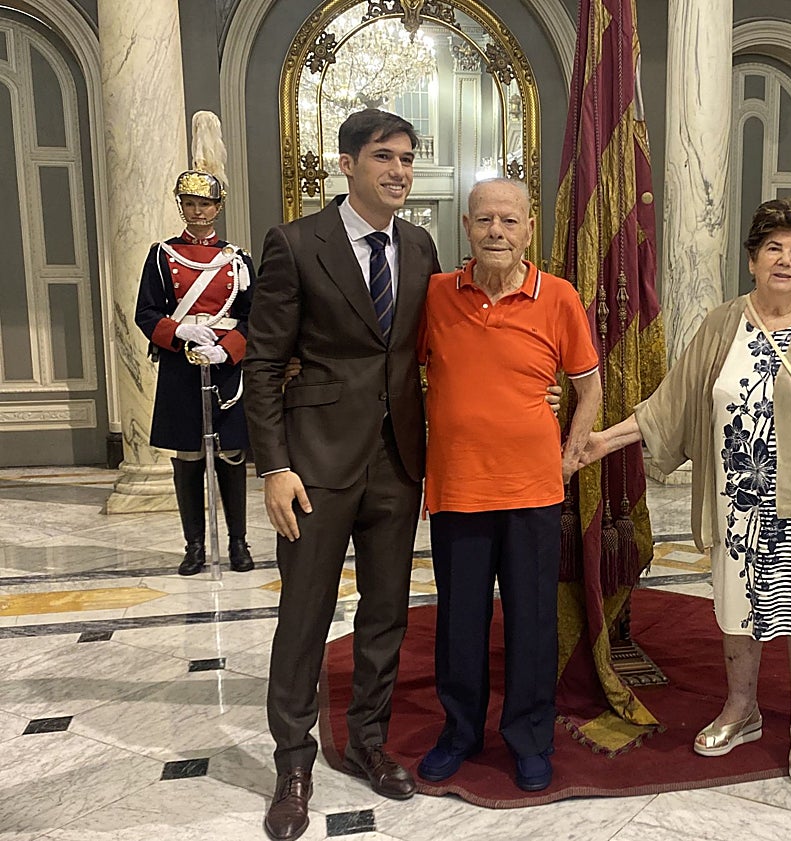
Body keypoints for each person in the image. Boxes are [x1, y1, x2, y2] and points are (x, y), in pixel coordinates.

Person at [582, 198, 791, 785]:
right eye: (774, 248)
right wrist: (599, 442)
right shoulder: (723, 324)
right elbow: (670, 405)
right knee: (738, 613)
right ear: (751, 259)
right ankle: (741, 709)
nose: (786, 261)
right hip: (736, 504)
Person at [244, 109, 439, 841]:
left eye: (409, 159)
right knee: (304, 617)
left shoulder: (420, 245)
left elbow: (428, 348)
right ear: (347, 164)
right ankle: (293, 762)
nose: (399, 171)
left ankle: (366, 740)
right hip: (316, 463)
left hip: (397, 461)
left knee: (386, 613)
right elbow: (263, 362)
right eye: (385, 157)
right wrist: (274, 466)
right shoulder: (295, 244)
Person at [415, 178, 601, 792]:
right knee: (459, 623)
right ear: (466, 227)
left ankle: (528, 736)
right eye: (485, 220)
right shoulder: (438, 295)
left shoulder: (559, 297)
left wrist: (571, 453)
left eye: (509, 221)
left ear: (529, 229)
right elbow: (409, 372)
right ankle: (460, 733)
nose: (497, 231)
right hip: (458, 490)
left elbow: (589, 386)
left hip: (532, 493)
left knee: (531, 623)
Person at [135, 111, 255, 576]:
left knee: (231, 455)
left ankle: (240, 543)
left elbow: (253, 315)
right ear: (180, 205)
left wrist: (229, 348)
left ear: (217, 208)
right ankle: (193, 546)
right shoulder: (162, 254)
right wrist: (179, 330)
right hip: (181, 366)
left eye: (205, 204)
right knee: (186, 456)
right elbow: (146, 313)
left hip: (224, 365)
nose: (198, 211)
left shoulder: (237, 258)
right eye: (190, 203)